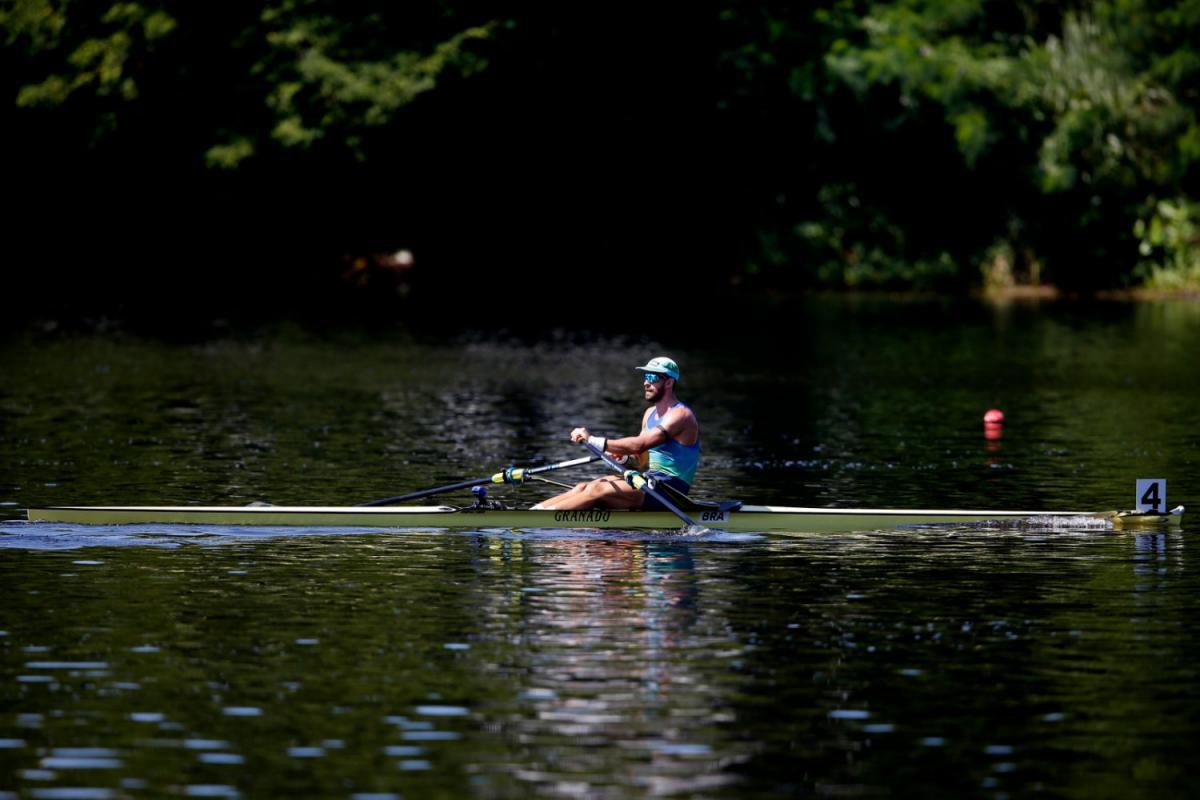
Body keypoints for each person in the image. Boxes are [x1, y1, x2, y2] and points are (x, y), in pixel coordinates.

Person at [532, 356, 700, 511]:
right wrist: (625, 458)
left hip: (671, 491)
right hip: (651, 481)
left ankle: (538, 520)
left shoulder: (681, 415)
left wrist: (593, 440)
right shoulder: (649, 414)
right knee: (585, 487)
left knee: (599, 489)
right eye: (645, 377)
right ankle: (533, 512)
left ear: (669, 382)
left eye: (652, 378)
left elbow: (639, 444)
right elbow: (640, 459)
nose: (645, 383)